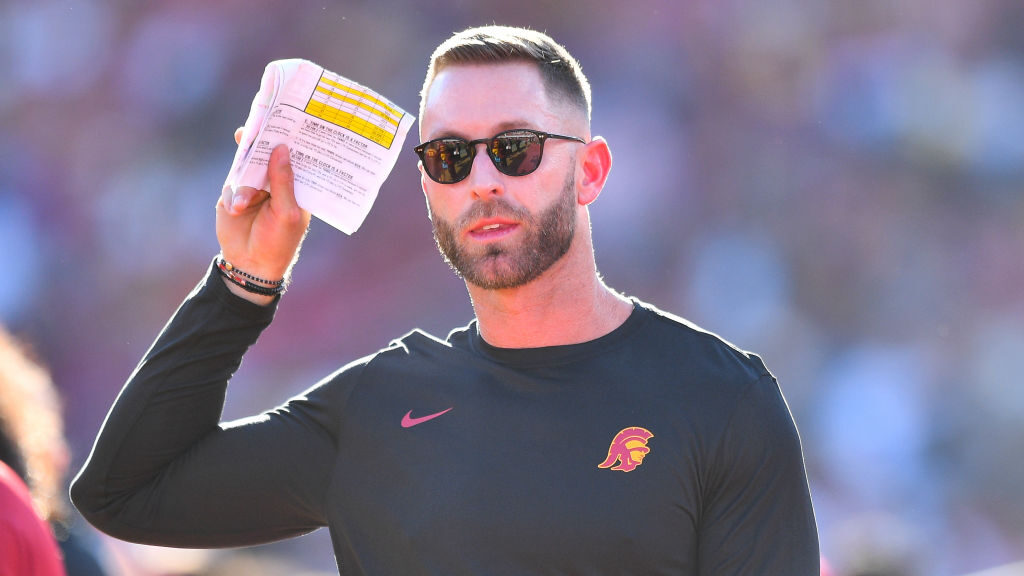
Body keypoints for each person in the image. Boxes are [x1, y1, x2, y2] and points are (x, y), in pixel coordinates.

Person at [71, 25, 819, 574]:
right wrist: (243, 282)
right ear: (429, 188)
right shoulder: (379, 404)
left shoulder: (723, 401)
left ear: (589, 172)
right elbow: (125, 493)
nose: (483, 180)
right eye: (451, 157)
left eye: (516, 148)